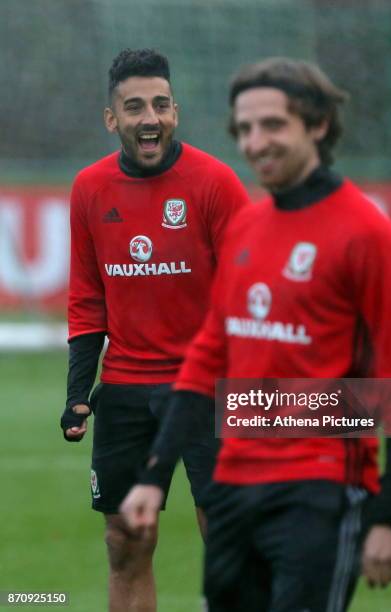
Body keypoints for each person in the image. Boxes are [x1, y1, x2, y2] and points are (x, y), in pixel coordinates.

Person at [120, 58, 391, 611]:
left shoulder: (366, 232)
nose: (255, 143)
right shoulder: (246, 226)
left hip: (323, 489)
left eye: (272, 125)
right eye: (245, 129)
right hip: (234, 485)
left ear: (318, 126)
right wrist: (153, 475)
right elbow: (210, 355)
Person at [59, 48, 249, 612]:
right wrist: (77, 394)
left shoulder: (216, 183)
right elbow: (88, 298)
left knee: (228, 543)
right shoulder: (89, 189)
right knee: (125, 543)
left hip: (210, 389)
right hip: (124, 395)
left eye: (161, 105)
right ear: (111, 118)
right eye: (135, 106)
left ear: (176, 112)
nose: (151, 117)